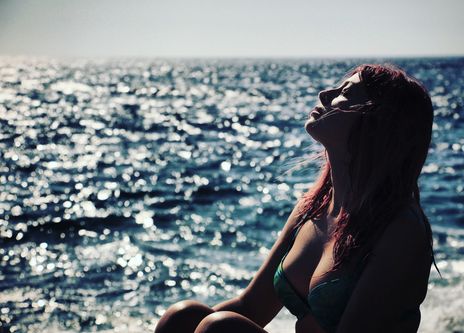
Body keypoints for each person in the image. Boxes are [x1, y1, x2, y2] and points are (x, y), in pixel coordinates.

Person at [154, 64, 439, 333]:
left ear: (377, 123)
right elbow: (252, 307)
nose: (324, 94)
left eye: (346, 93)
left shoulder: (400, 229)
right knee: (183, 317)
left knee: (220, 328)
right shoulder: (312, 207)